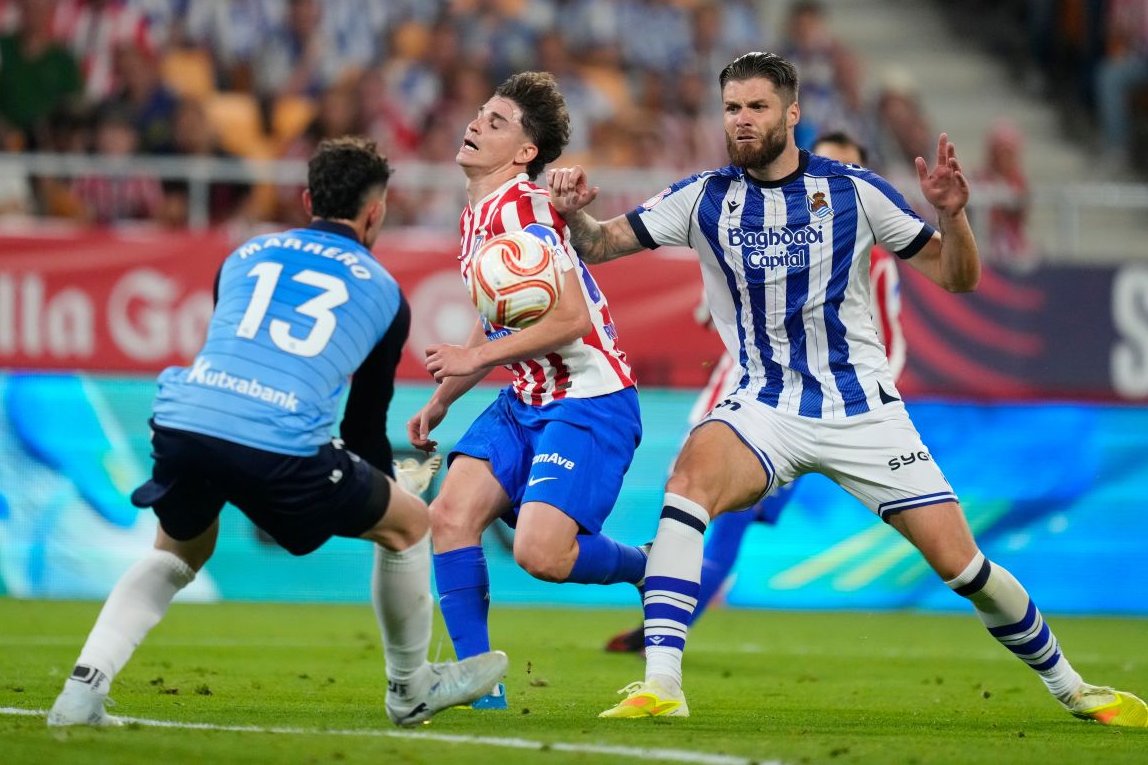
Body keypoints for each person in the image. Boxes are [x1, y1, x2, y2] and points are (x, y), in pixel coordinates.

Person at [547, 52, 1148, 727]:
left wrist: (954, 216)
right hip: (764, 405)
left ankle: (1074, 687)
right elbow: (602, 245)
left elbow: (957, 278)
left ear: (792, 115)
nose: (743, 122)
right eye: (732, 109)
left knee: (963, 566)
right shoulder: (702, 198)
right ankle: (661, 683)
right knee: (689, 476)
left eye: (757, 108)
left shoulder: (854, 192)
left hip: (863, 413)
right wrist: (574, 217)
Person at [47, 136, 506, 729]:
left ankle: (82, 690)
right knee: (409, 525)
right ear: (376, 212)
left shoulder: (243, 255)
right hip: (277, 441)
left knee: (178, 552)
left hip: (186, 418)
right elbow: (363, 425)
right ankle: (411, 689)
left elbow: (233, 345)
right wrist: (379, 493)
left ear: (307, 198)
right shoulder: (386, 293)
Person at [604, 131, 906, 654]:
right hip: (735, 398)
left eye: (845, 168)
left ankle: (663, 630)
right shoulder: (765, 231)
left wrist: (862, 402)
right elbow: (718, 308)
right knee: (686, 502)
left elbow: (890, 343)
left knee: (725, 523)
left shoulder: (873, 261)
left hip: (810, 408)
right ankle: (665, 622)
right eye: (824, 164)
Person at [407, 71, 645, 711]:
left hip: (589, 398)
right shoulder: (476, 216)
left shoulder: (527, 209)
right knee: (450, 516)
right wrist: (443, 398)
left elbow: (569, 322)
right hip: (527, 399)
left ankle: (653, 569)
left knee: (543, 555)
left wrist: (473, 356)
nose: (476, 123)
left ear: (525, 153)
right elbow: (506, 324)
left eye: (497, 121)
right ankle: (480, 688)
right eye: (480, 112)